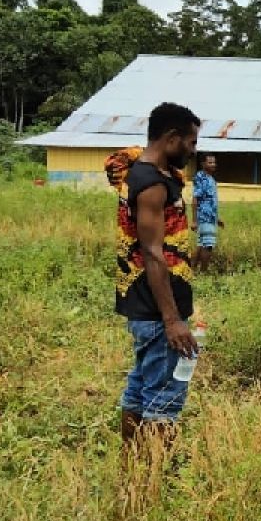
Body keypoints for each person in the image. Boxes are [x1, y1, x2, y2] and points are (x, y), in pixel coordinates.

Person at [104, 103, 200, 449]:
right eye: (189, 142)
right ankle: (155, 478)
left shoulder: (145, 172)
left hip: (147, 306)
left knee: (140, 388)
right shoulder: (152, 185)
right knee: (164, 399)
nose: (193, 151)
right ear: (171, 137)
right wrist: (172, 319)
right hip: (158, 311)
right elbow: (153, 253)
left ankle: (132, 463)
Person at [191, 153, 223, 272]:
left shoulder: (211, 179)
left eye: (214, 162)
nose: (213, 164)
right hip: (204, 217)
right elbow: (195, 199)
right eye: (210, 162)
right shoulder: (201, 177)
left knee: (201, 245)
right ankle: (204, 273)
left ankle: (192, 271)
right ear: (203, 164)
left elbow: (211, 201)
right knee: (208, 246)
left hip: (211, 217)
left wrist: (217, 218)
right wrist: (194, 220)